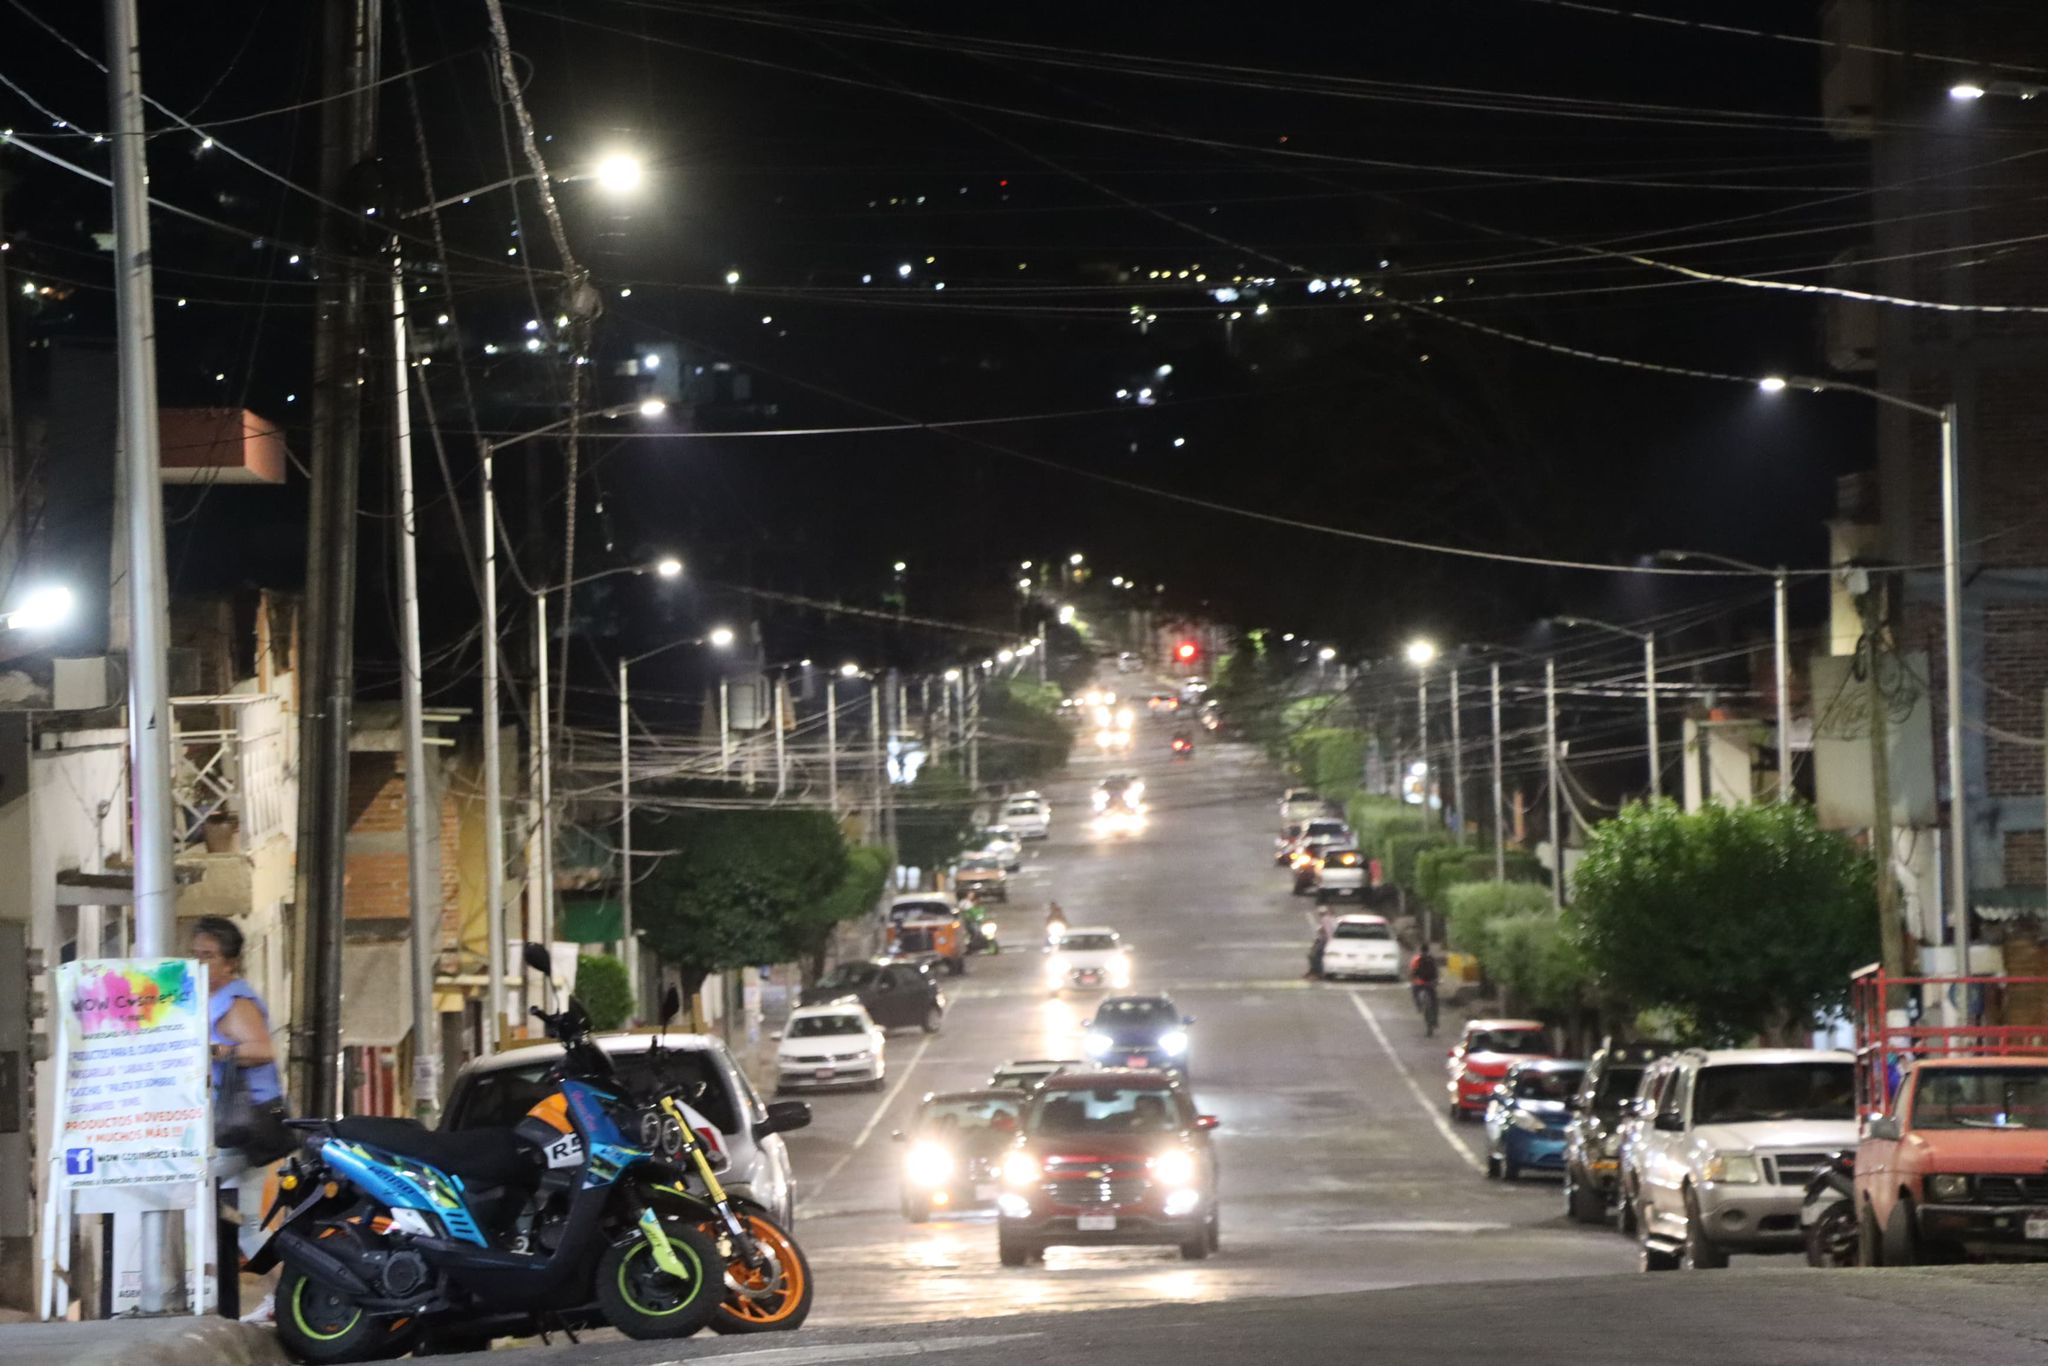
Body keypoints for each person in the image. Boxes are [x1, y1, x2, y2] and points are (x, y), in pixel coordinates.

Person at [193, 916, 282, 1322]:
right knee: (245, 1221)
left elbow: (262, 1050)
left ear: (230, 962)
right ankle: (281, 1294)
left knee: (196, 1184)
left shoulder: (234, 1000)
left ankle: (202, 1287)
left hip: (247, 1124)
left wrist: (214, 1052)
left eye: (209, 956)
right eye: (195, 955)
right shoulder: (216, 997)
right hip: (242, 1124)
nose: (200, 963)